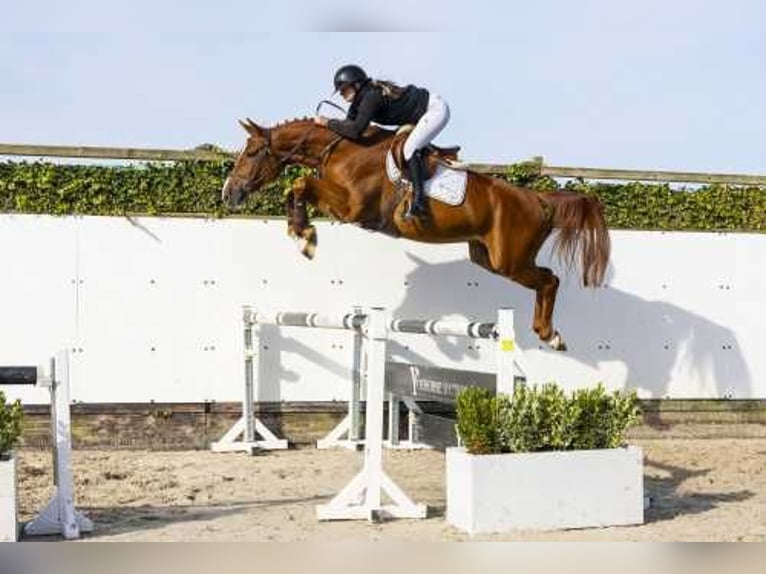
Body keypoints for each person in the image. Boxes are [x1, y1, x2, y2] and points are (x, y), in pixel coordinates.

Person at [315, 64, 451, 219]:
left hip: (434, 109)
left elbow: (355, 130)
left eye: (344, 89)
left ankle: (420, 204)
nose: (341, 93)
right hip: (420, 117)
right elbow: (348, 130)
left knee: (410, 149)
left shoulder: (371, 96)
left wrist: (328, 122)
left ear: (356, 84)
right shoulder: (358, 103)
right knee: (407, 147)